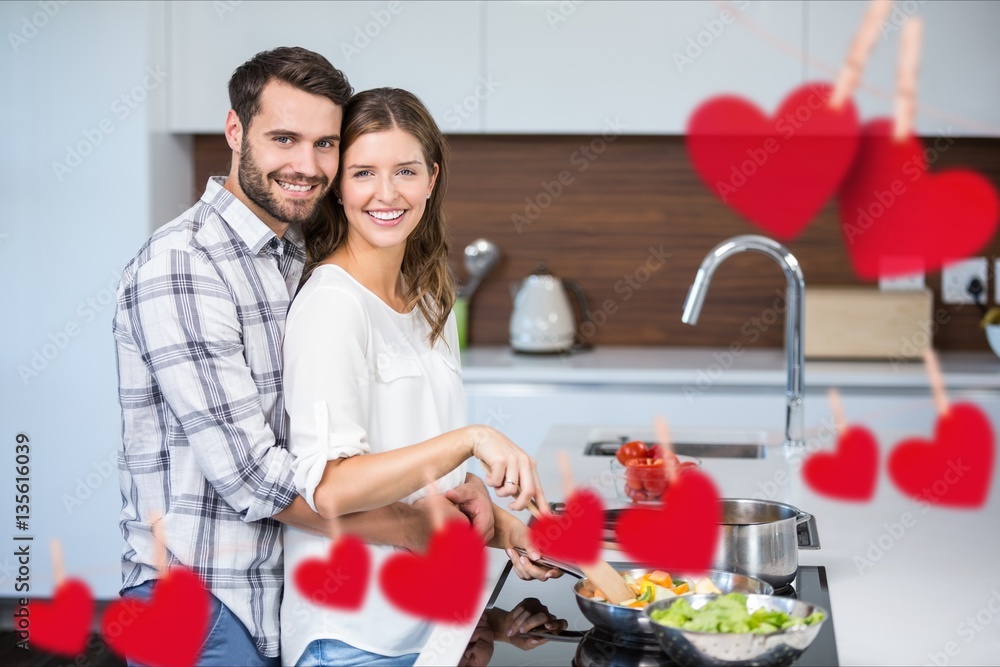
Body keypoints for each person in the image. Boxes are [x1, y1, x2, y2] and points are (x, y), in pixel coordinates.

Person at [112, 48, 499, 667]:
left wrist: (445, 491)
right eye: (284, 138)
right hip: (202, 597)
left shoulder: (287, 256)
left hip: (273, 597)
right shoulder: (184, 266)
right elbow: (251, 476)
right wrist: (413, 523)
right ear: (235, 131)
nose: (305, 164)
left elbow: (329, 437)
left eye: (324, 144)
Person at [280, 87, 558, 667]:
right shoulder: (333, 304)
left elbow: (416, 464)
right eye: (363, 173)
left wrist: (505, 526)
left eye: (405, 171)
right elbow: (329, 488)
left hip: (431, 626)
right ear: (338, 186)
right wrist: (471, 438)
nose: (387, 194)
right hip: (353, 636)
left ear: (431, 178)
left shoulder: (430, 296)